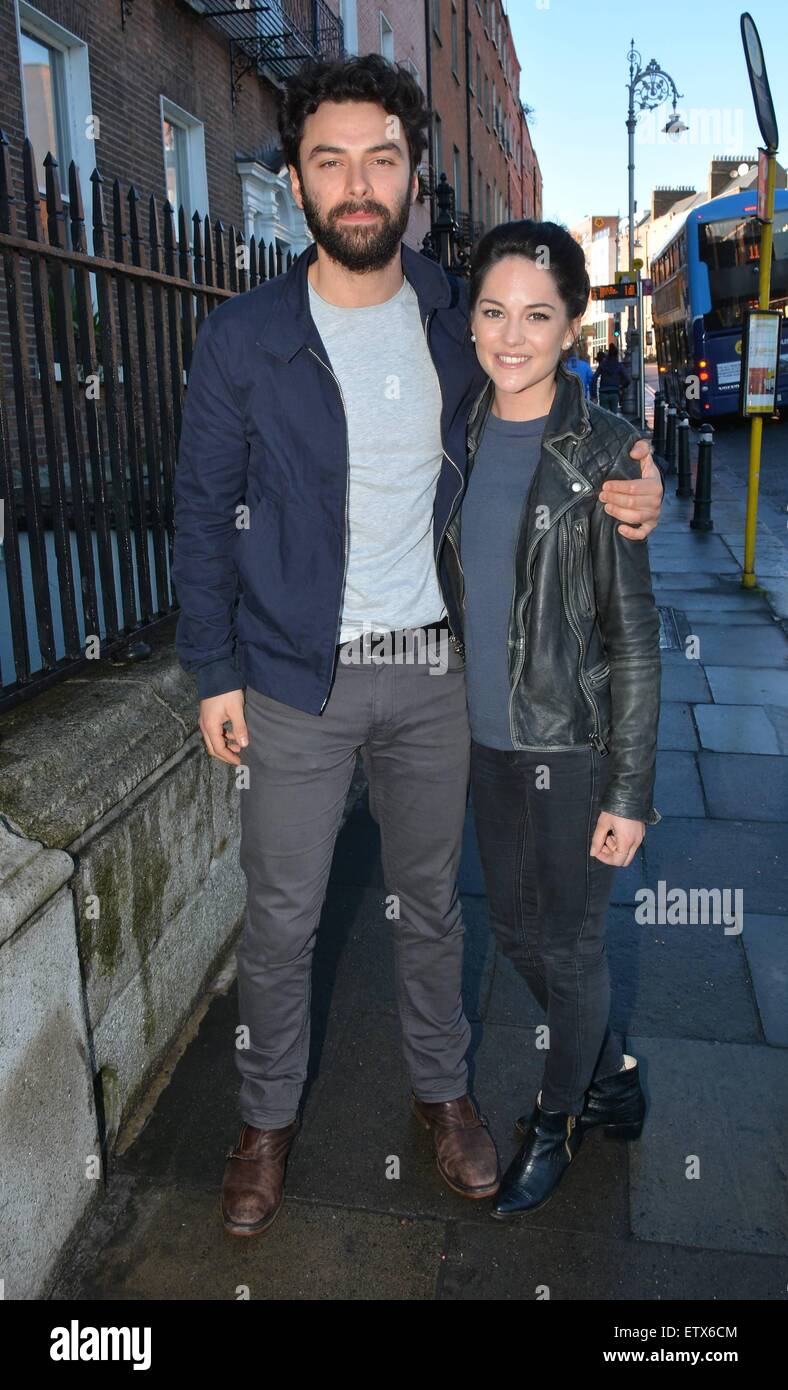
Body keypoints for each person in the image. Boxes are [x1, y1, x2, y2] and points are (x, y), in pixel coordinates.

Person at [171, 54, 665, 1239]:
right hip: (293, 677)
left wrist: (630, 468)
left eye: (379, 159)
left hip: (434, 670)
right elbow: (200, 511)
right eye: (329, 161)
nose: (357, 183)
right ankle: (265, 1118)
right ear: (295, 185)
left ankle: (442, 1096)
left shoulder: (455, 310)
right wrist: (214, 669)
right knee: (283, 917)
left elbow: (546, 395)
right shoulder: (243, 339)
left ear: (411, 178)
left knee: (431, 908)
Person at [440, 219, 661, 1219]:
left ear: (571, 326)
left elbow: (632, 641)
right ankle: (610, 1069)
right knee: (524, 934)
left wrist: (628, 791)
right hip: (484, 739)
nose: (511, 334)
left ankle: (556, 1115)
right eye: (492, 311)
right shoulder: (459, 427)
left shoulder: (608, 452)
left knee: (563, 946)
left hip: (568, 746)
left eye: (536, 314)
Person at [593, 342, 630, 413]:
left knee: (604, 417)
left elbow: (594, 379)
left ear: (608, 354)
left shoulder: (602, 365)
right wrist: (621, 387)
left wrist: (594, 395)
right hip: (614, 393)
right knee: (614, 417)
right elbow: (627, 379)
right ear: (616, 354)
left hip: (603, 393)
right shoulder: (619, 365)